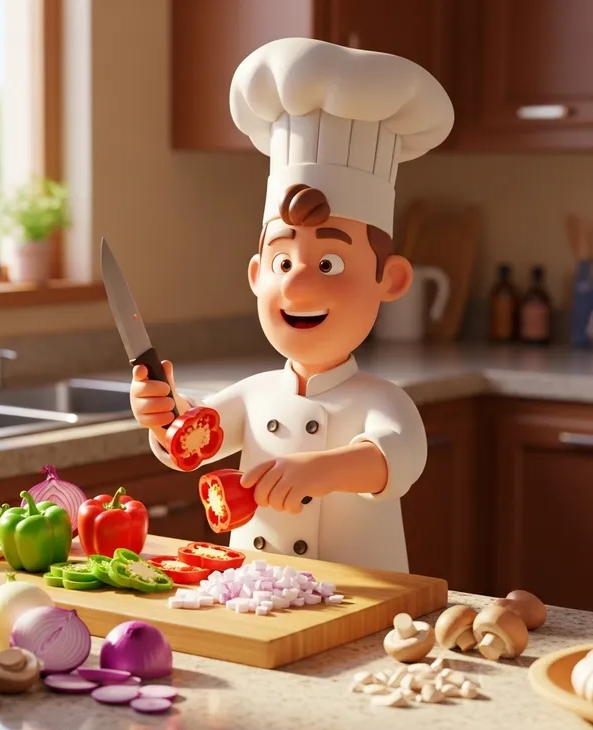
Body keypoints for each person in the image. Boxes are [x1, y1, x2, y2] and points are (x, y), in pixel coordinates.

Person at [129, 38, 454, 572]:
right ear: (257, 277)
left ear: (389, 280)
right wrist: (165, 417)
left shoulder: (382, 400)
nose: (298, 287)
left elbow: (397, 456)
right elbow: (197, 440)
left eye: (329, 264)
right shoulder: (254, 395)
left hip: (362, 601)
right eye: (283, 264)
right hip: (257, 595)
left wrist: (321, 471)